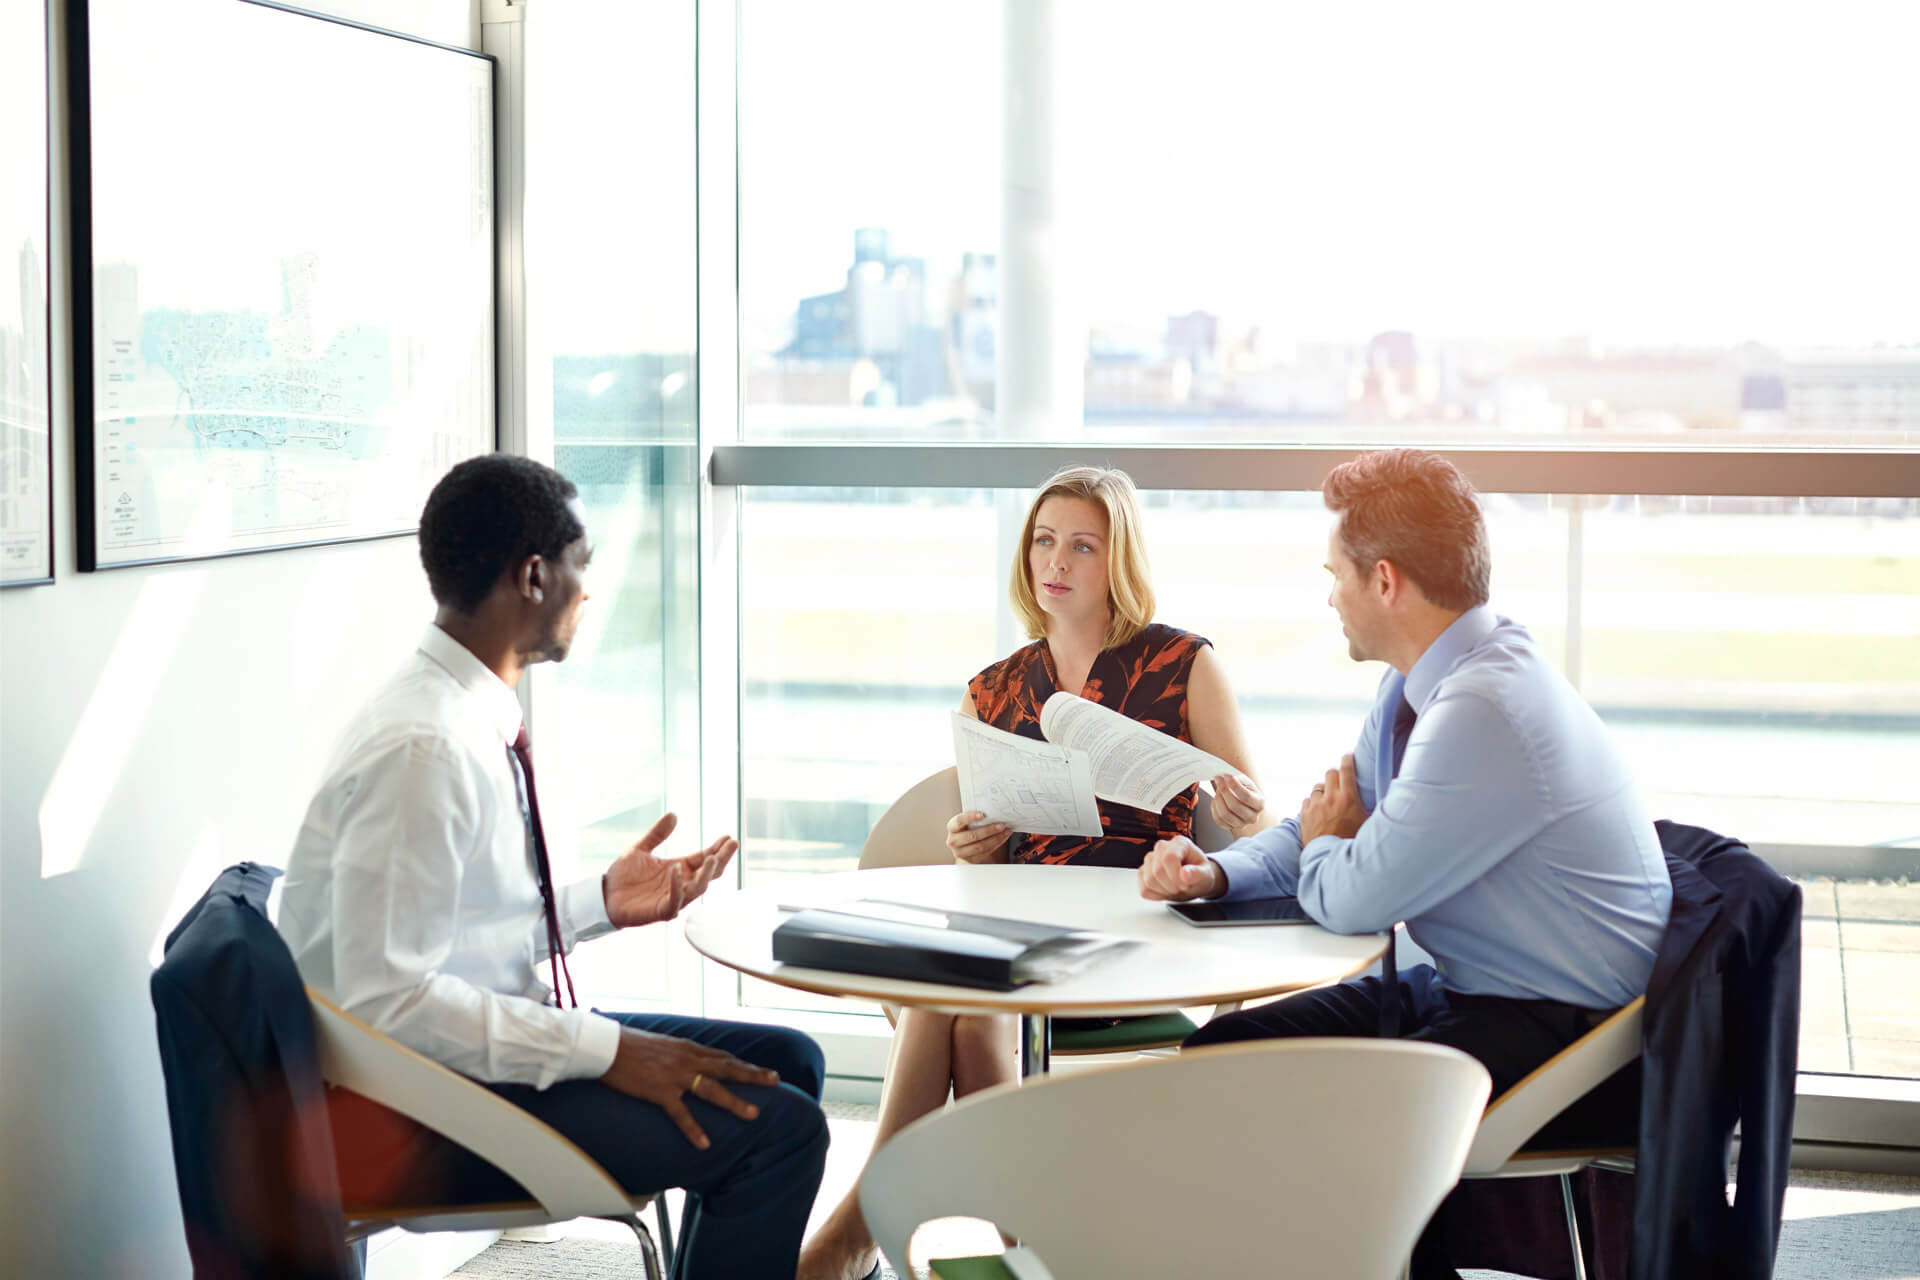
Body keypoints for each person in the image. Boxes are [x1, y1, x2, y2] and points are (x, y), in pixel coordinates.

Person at [279, 454, 829, 1280]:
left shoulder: (458, 713)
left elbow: (459, 936)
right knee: (780, 1131)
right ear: (534, 576)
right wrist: (605, 1049)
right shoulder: (425, 749)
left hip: (451, 1066)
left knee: (790, 1062)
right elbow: (388, 1002)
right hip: (421, 1108)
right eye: (583, 563)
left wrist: (597, 903)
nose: (589, 589)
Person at [1137, 448, 1673, 1277]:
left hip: (1574, 1039)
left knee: (1334, 1122)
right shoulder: (1420, 684)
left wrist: (1326, 842)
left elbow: (1353, 893)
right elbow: (1327, 820)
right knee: (1224, 1056)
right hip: (1478, 994)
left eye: (1335, 574)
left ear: (1384, 581)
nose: (1329, 596)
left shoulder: (1483, 709)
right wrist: (1220, 873)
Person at [799, 465, 1268, 1280]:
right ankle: (1031, 1245)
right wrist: (971, 845)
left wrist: (1245, 805)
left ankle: (863, 1231)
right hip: (1019, 921)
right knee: (959, 1003)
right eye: (1044, 541)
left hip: (1137, 926)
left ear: (1118, 559)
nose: (1057, 561)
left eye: (1083, 546)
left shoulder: (1184, 663)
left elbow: (1252, 824)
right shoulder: (993, 688)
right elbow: (980, 848)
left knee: (951, 1004)